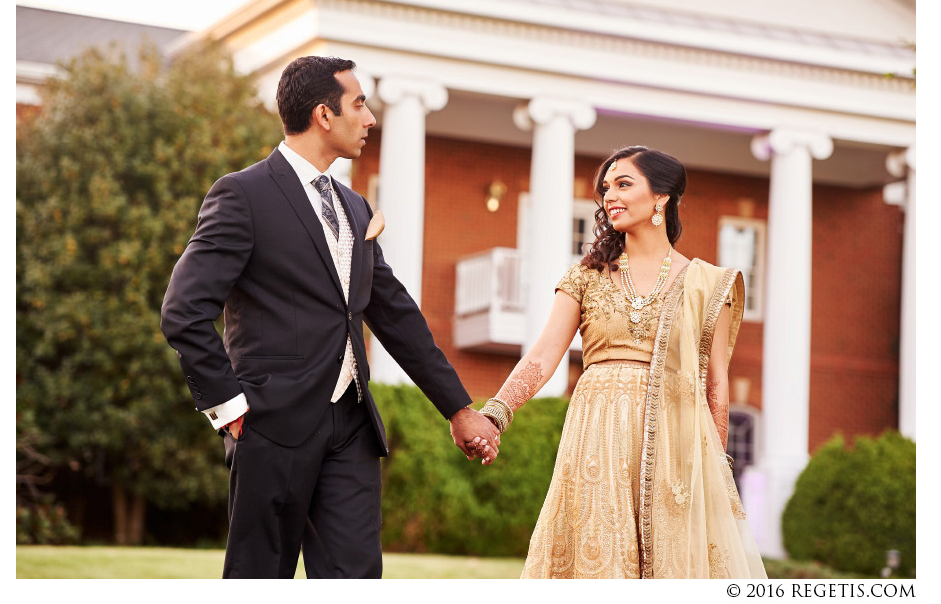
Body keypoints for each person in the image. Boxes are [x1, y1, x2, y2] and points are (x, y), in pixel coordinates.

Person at [160, 56, 499, 579]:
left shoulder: (356, 208)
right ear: (324, 114)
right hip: (270, 424)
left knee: (356, 576)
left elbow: (396, 316)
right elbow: (183, 310)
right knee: (259, 578)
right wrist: (228, 406)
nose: (369, 119)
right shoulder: (243, 195)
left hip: (351, 425)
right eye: (359, 104)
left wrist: (458, 408)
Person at [479, 146, 767, 578]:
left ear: (661, 197)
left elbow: (715, 385)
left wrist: (710, 470)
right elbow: (542, 355)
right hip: (597, 435)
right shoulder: (586, 276)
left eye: (624, 184)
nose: (610, 195)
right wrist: (496, 412)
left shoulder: (708, 285)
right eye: (606, 187)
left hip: (675, 443)